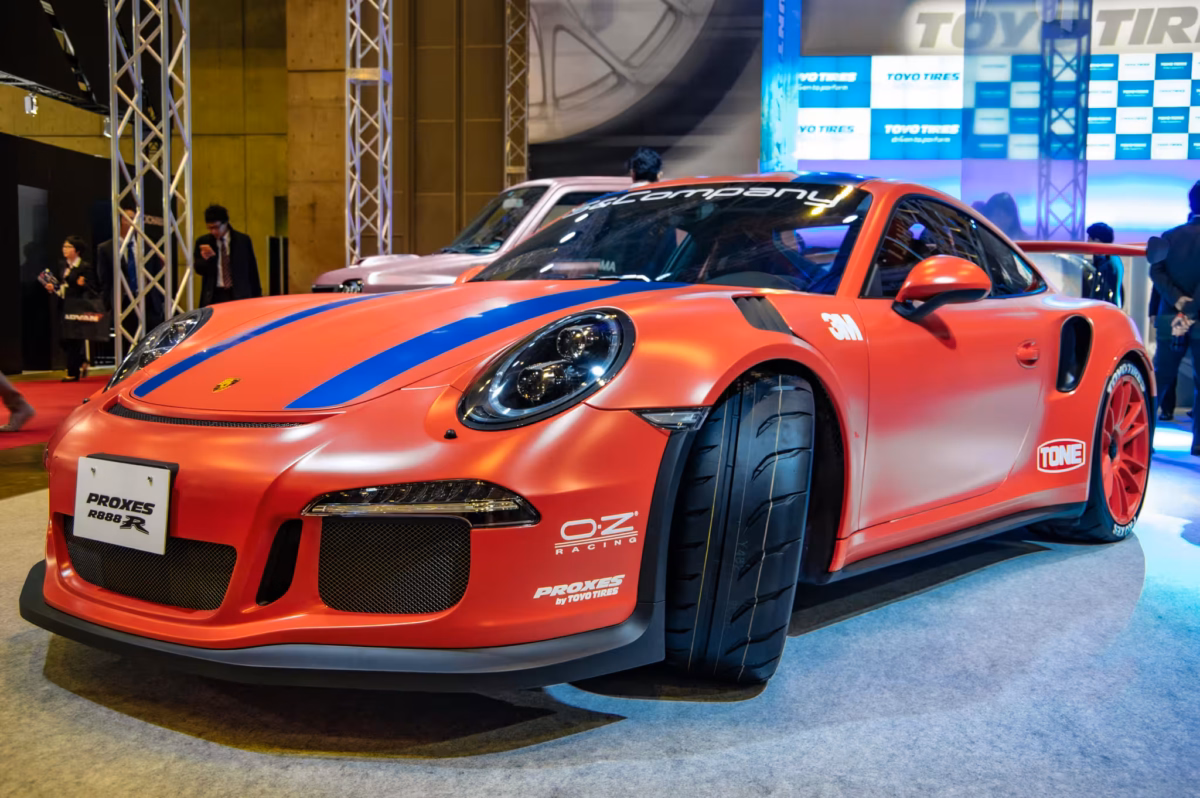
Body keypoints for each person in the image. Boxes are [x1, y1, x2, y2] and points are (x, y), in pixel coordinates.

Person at [1148, 180, 1200, 455]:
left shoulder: (1168, 235)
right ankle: (1199, 442)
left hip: (1171, 316)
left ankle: (1143, 437)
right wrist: (1191, 308)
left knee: (1160, 378)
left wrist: (1178, 301)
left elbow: (1156, 272)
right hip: (1196, 317)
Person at [98, 207, 166, 336]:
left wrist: (159, 300)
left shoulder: (148, 245)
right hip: (123, 304)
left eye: (135, 218)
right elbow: (105, 280)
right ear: (119, 221)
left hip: (148, 302)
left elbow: (157, 274)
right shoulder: (106, 249)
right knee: (126, 341)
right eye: (128, 219)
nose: (132, 222)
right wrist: (108, 306)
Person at [46, 235, 98, 382]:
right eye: (64, 246)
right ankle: (82, 360)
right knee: (63, 338)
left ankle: (73, 372)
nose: (65, 249)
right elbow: (59, 284)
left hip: (77, 306)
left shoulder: (84, 267)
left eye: (68, 247)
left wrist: (83, 284)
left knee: (73, 338)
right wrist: (52, 287)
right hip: (63, 304)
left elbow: (93, 287)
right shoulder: (62, 265)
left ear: (77, 250)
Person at [194, 204, 261, 306]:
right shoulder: (203, 241)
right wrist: (206, 259)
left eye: (216, 227)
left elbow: (252, 270)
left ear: (225, 223)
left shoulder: (242, 241)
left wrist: (257, 297)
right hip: (214, 294)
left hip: (238, 294)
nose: (213, 231)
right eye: (209, 228)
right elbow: (198, 269)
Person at [1081, 222, 1123, 307]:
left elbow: (1103, 293)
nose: (1087, 242)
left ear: (1097, 241)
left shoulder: (1107, 263)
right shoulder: (1113, 259)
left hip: (1105, 309)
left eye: (1089, 239)